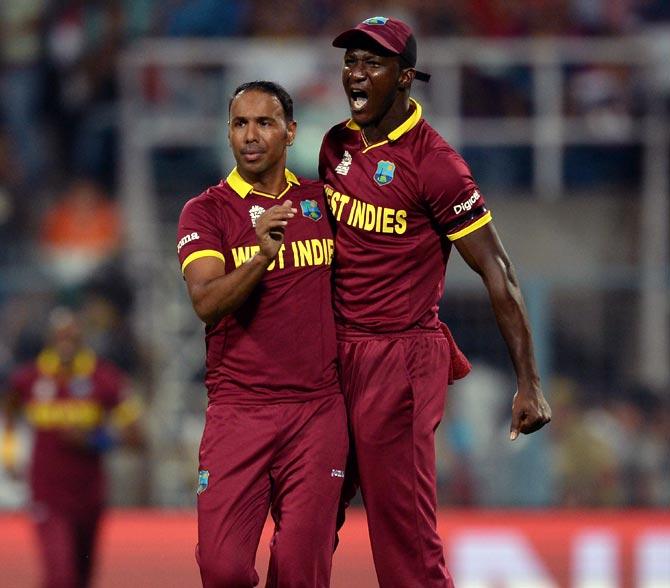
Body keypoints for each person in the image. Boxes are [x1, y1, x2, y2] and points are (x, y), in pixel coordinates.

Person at [319, 16, 552, 587]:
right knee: (306, 516)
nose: (356, 72)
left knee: (402, 536)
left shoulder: (437, 166)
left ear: (405, 78)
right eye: (351, 61)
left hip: (398, 358)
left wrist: (529, 381)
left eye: (372, 63)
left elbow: (498, 270)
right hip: (332, 356)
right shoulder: (334, 145)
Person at [176, 81, 348, 587]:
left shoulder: (323, 204)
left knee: (301, 570)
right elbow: (206, 302)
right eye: (239, 123)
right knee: (223, 569)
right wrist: (260, 257)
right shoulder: (206, 211)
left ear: (291, 132)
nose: (251, 135)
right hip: (239, 410)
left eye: (265, 122)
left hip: (317, 411)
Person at [1, 307, 143, 588]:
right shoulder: (30, 378)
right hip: (47, 495)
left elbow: (136, 438)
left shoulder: (104, 378)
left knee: (80, 578)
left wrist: (94, 439)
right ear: (50, 339)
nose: (66, 341)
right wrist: (9, 451)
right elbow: (9, 409)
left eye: (72, 335)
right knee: (60, 577)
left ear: (82, 338)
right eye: (60, 336)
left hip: (89, 495)